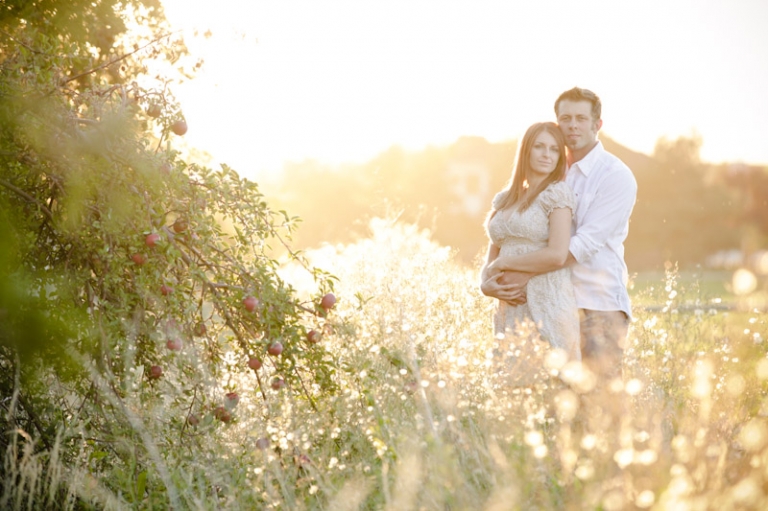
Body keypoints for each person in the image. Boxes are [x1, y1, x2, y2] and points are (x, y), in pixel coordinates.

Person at [483, 87, 637, 385]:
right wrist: (488, 281)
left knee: (598, 400)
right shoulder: (550, 167)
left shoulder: (615, 176)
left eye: (581, 118)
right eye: (566, 118)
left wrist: (518, 273)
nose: (573, 125)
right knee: (551, 399)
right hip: (546, 302)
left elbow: (583, 244)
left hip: (596, 305)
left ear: (597, 124)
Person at [480, 121, 581, 375]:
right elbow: (493, 253)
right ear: (526, 150)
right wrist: (485, 285)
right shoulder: (504, 199)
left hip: (545, 301)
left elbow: (557, 254)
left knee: (550, 382)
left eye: (554, 149)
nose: (547, 154)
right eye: (539, 147)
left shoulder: (557, 194)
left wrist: (504, 264)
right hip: (509, 306)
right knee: (512, 384)